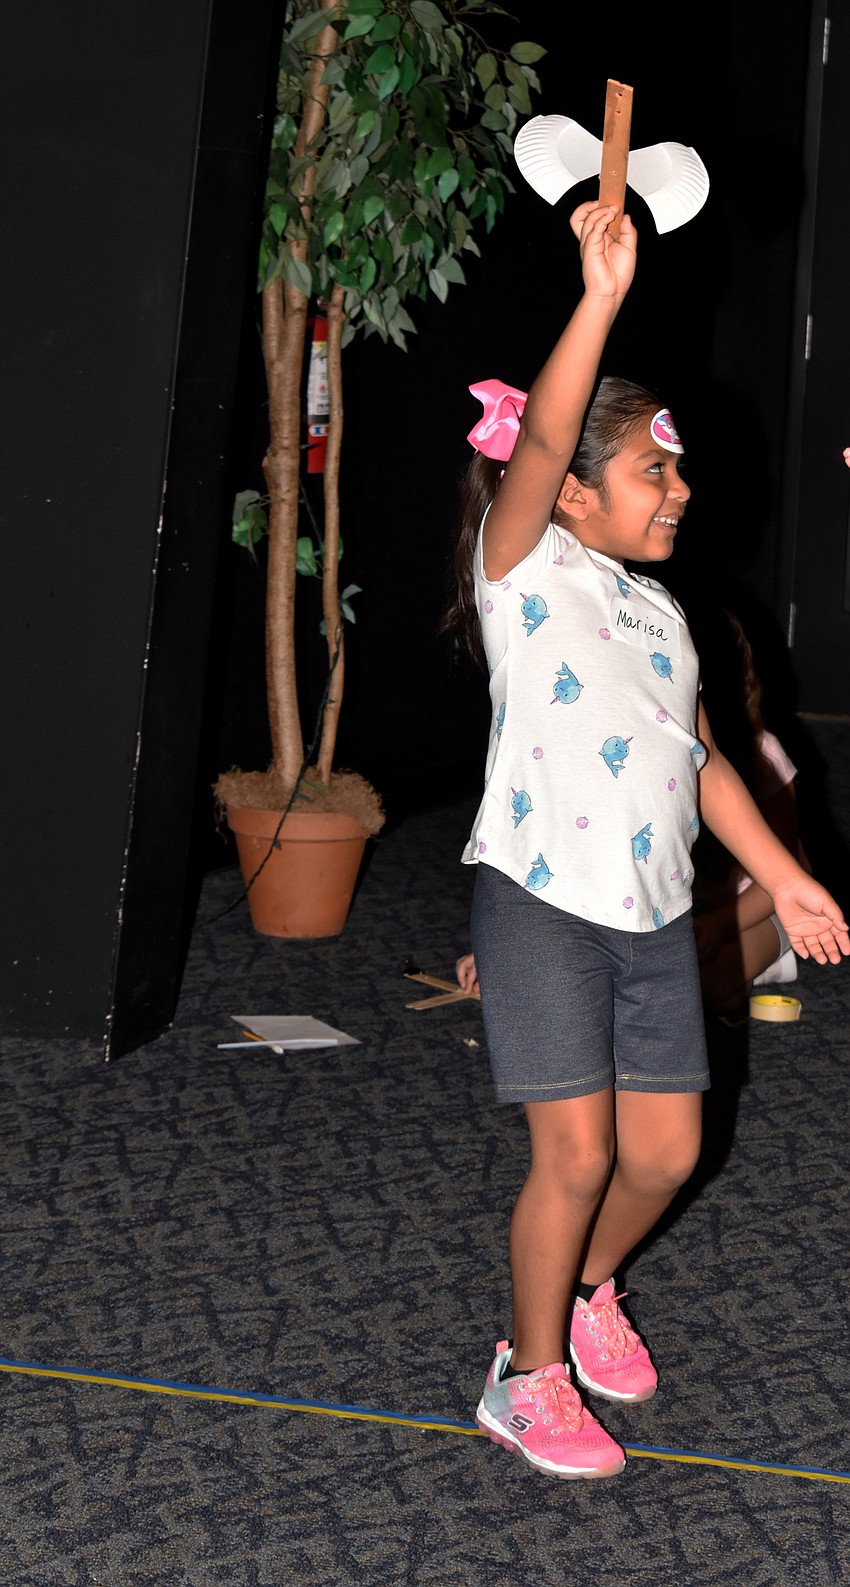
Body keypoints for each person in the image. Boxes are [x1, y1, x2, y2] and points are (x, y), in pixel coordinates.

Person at [442, 198, 849, 1482]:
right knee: (577, 1154)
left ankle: (586, 1289)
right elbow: (553, 426)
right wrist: (601, 293)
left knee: (669, 1149)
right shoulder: (524, 572)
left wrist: (788, 878)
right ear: (567, 494)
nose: (679, 488)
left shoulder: (664, 616)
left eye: (675, 470)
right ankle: (527, 1374)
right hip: (541, 901)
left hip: (653, 910)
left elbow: (705, 760)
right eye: (652, 471)